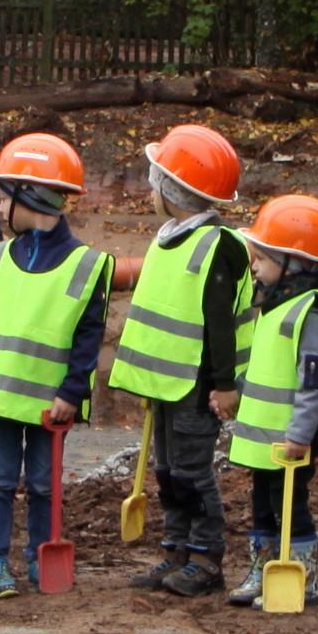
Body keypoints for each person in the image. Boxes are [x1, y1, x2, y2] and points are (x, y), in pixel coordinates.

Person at [109, 123, 252, 598]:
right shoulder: (170, 238)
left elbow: (219, 324)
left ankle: (206, 556)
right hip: (168, 384)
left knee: (192, 473)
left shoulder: (218, 246)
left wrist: (224, 383)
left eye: (155, 184)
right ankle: (176, 548)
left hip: (196, 388)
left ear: (173, 191)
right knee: (168, 472)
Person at [0, 133, 108, 599]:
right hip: (1, 398)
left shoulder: (86, 265)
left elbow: (88, 336)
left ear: (29, 196)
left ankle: (38, 556)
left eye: (4, 195)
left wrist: (71, 392)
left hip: (52, 405)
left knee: (45, 485)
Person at [225, 195, 318, 610]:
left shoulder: (313, 311)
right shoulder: (274, 304)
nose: (254, 266)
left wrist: (300, 435)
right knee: (262, 502)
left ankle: (303, 574)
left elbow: (315, 382)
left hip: (292, 437)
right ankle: (263, 568)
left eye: (262, 258)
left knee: (290, 505)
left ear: (293, 262)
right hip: (267, 436)